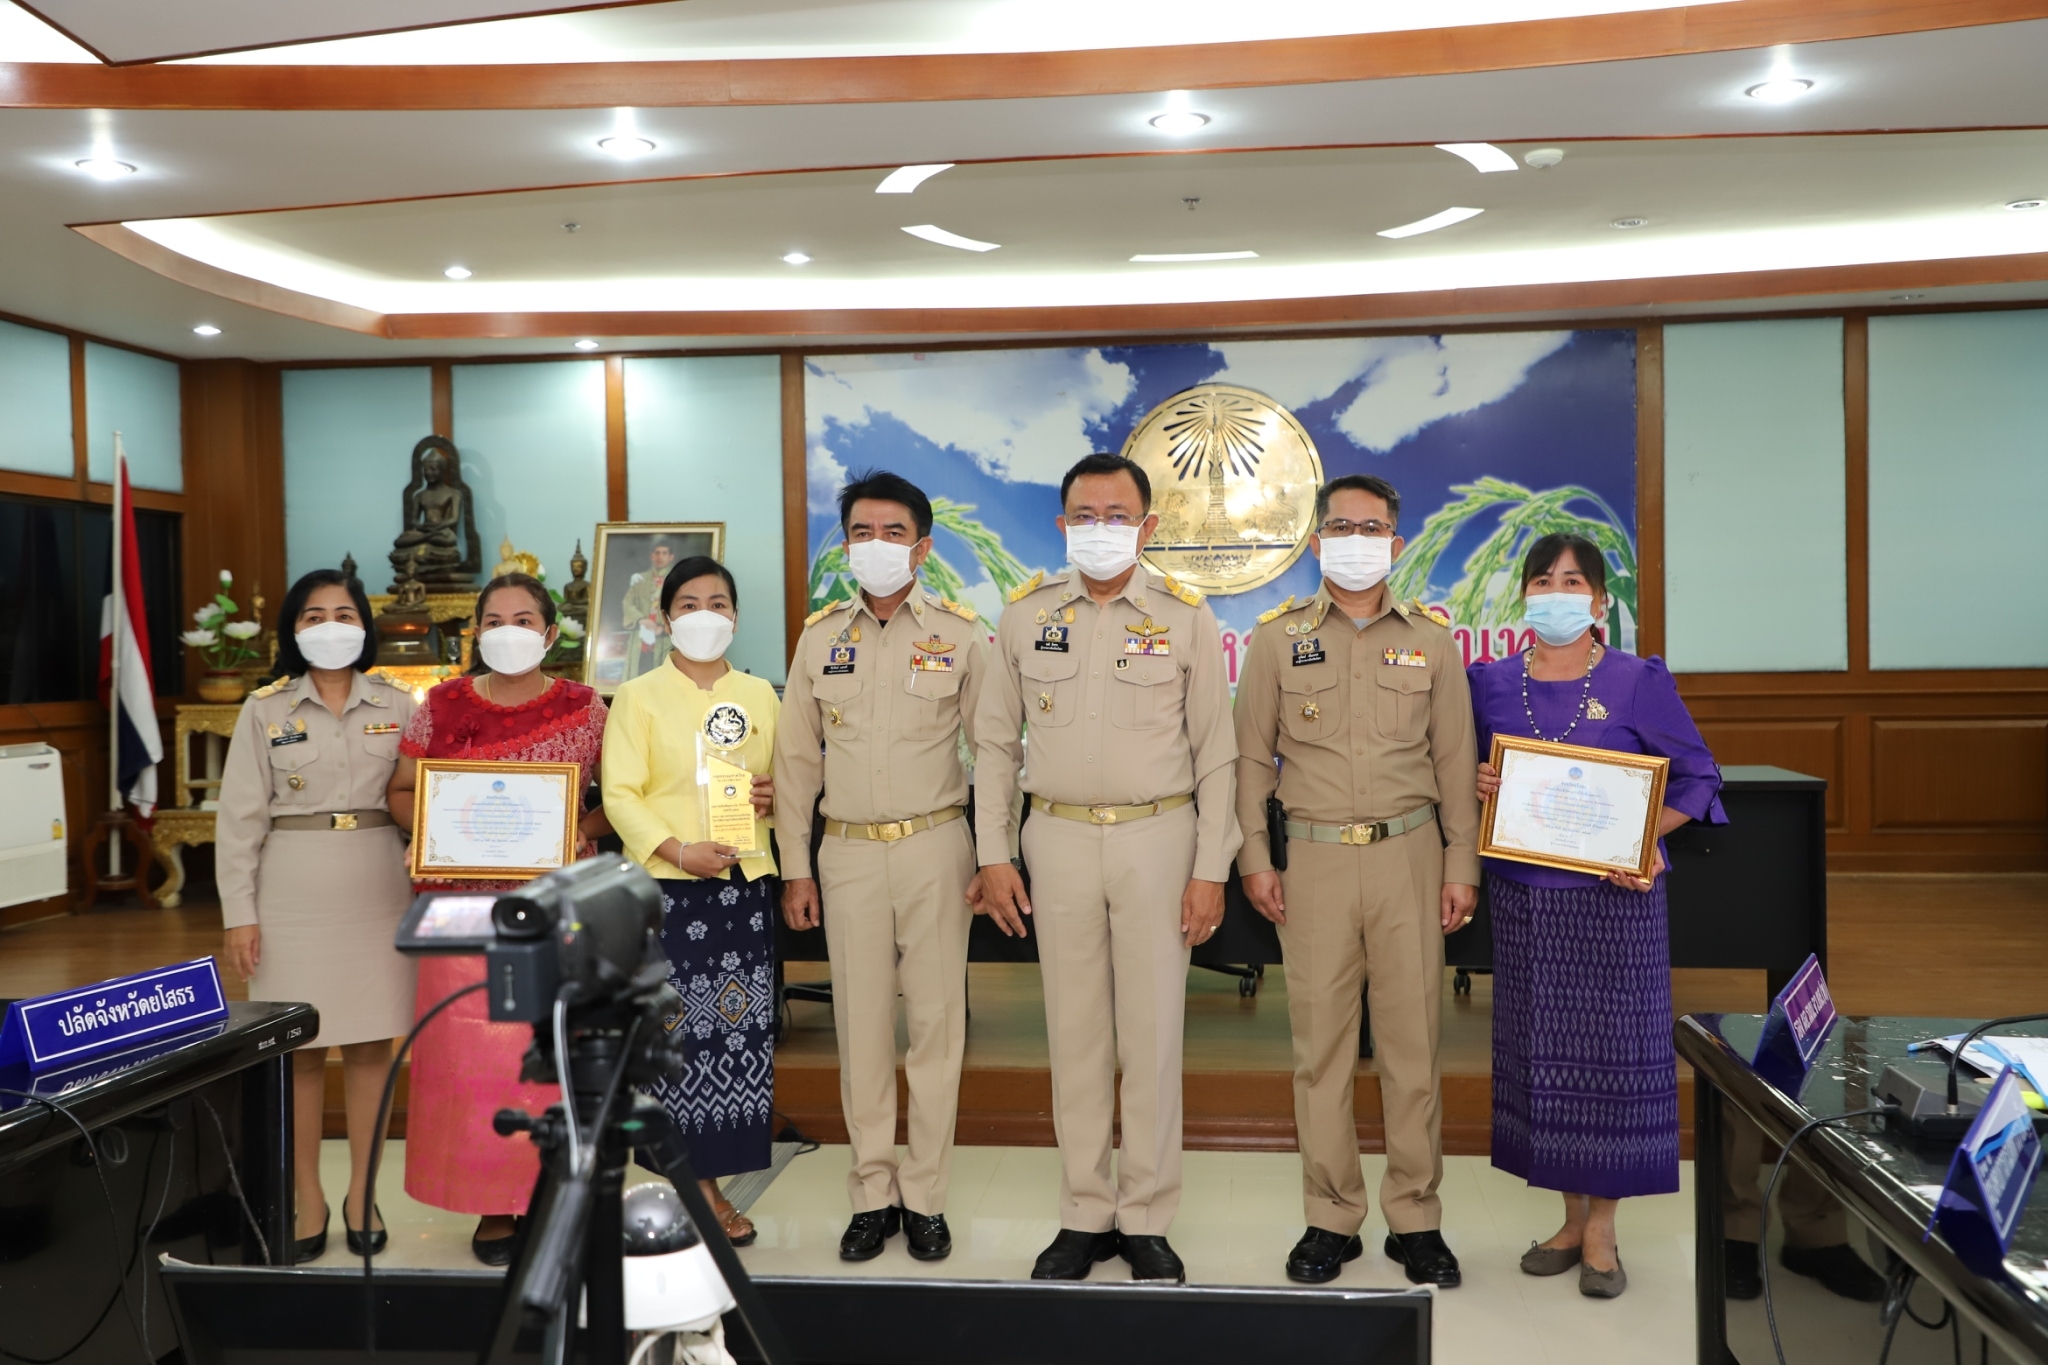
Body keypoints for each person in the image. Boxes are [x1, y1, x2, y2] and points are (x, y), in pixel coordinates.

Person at [974, 452, 1239, 1286]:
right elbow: (990, 743)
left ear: (1148, 526)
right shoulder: (1023, 617)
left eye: (1116, 515)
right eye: (1083, 515)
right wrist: (993, 852)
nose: (1100, 529)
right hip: (1053, 837)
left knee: (1155, 1034)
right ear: (1061, 525)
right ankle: (1085, 1211)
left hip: (1159, 840)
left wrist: (1211, 867)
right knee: (1076, 1031)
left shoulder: (1187, 616)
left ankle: (1148, 1212)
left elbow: (1218, 755)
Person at [1233, 474, 1480, 1289]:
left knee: (1414, 1048)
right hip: (1314, 862)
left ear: (1395, 543)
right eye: (1339, 525)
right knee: (1322, 1051)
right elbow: (1249, 761)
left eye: (1371, 527)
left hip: (1410, 857)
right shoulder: (1276, 640)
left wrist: (1461, 865)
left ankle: (1416, 1218)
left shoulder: (1434, 643)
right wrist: (1255, 860)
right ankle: (1330, 1216)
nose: (1355, 538)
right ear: (1316, 542)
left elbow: (1453, 765)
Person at [1469, 532, 1726, 1299]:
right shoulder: (1488, 682)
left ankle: (1605, 1229)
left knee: (1613, 1065)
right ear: (1525, 596)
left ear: (1601, 600)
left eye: (1573, 580)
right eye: (1543, 579)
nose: (1557, 592)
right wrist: (1481, 777)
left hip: (1615, 906)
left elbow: (1699, 777)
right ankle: (1570, 1217)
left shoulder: (1637, 678)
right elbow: (1464, 771)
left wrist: (1644, 838)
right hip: (1525, 902)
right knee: (1543, 1058)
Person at [774, 470, 986, 1263]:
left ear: (921, 547)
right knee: (860, 1029)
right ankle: (872, 1192)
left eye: (892, 533)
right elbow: (795, 760)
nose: (875, 547)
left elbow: (994, 753)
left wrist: (993, 855)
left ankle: (925, 1195)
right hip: (848, 852)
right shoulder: (818, 635)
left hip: (937, 845)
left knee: (936, 1027)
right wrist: (796, 864)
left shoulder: (963, 636)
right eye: (860, 533)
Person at [387, 572, 611, 1265]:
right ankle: (492, 1204)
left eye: (522, 619)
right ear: (475, 632)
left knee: (554, 1051)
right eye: (493, 619)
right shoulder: (440, 706)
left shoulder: (587, 706)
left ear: (549, 634)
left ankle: (556, 1195)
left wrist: (586, 828)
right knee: (475, 1058)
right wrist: (436, 829)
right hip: (463, 911)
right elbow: (399, 789)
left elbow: (624, 792)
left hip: (557, 909)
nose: (506, 630)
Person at [215, 568, 417, 1264]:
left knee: (369, 1046)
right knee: (296, 1050)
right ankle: (306, 1192)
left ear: (364, 623)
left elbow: (426, 797)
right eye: (312, 615)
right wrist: (239, 914)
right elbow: (238, 820)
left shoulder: (401, 702)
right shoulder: (264, 709)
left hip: (377, 880)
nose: (329, 624)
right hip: (291, 887)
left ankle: (364, 1191)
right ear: (293, 630)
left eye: (342, 612)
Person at [601, 555, 779, 1246]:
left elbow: (782, 783)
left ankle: (718, 1174)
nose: (707, 613)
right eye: (690, 603)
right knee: (680, 1040)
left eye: (720, 602)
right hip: (671, 892)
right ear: (664, 617)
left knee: (740, 1039)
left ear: (735, 615)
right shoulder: (639, 696)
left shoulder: (761, 692)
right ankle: (696, 1187)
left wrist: (769, 795)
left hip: (743, 883)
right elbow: (620, 793)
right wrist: (676, 850)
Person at [620, 537, 677, 681]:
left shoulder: (678, 580)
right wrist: (641, 619)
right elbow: (627, 602)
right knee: (639, 677)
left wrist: (663, 628)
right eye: (657, 553)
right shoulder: (641, 579)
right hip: (641, 639)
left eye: (664, 553)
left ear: (671, 557)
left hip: (664, 639)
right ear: (652, 556)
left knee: (663, 680)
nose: (660, 557)